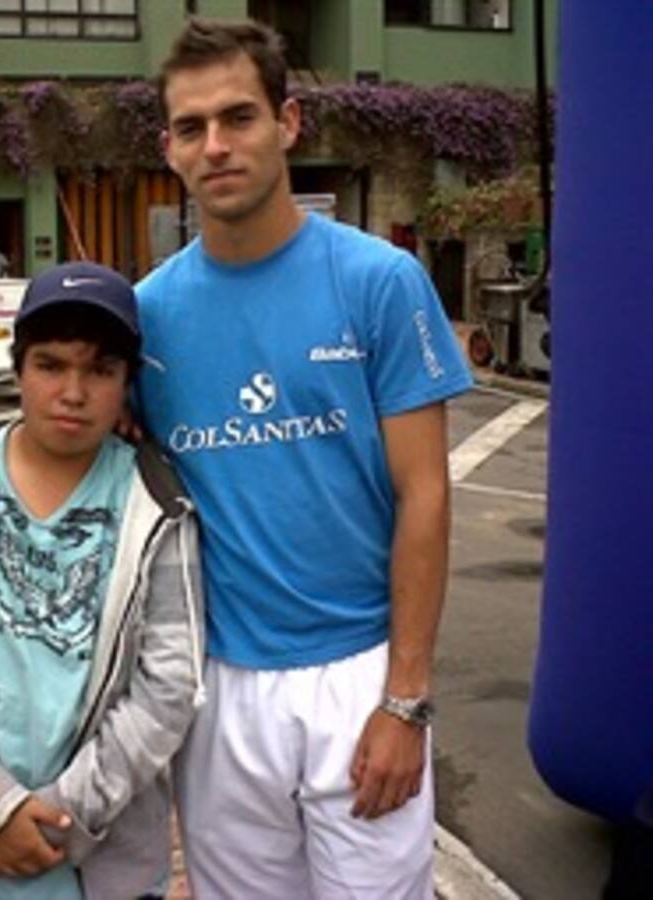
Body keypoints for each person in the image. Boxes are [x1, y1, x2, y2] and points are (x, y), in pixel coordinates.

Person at [135, 19, 474, 899]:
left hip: (361, 675)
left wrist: (405, 698)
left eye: (239, 117)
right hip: (219, 688)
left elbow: (426, 495)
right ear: (168, 149)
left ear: (288, 123)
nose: (216, 145)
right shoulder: (146, 316)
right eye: (191, 127)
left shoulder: (379, 282)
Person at [0, 261, 204, 900]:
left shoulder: (158, 501)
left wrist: (61, 819)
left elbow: (171, 683)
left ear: (127, 383)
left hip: (104, 862)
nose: (73, 392)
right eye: (51, 365)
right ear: (18, 368)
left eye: (100, 370)